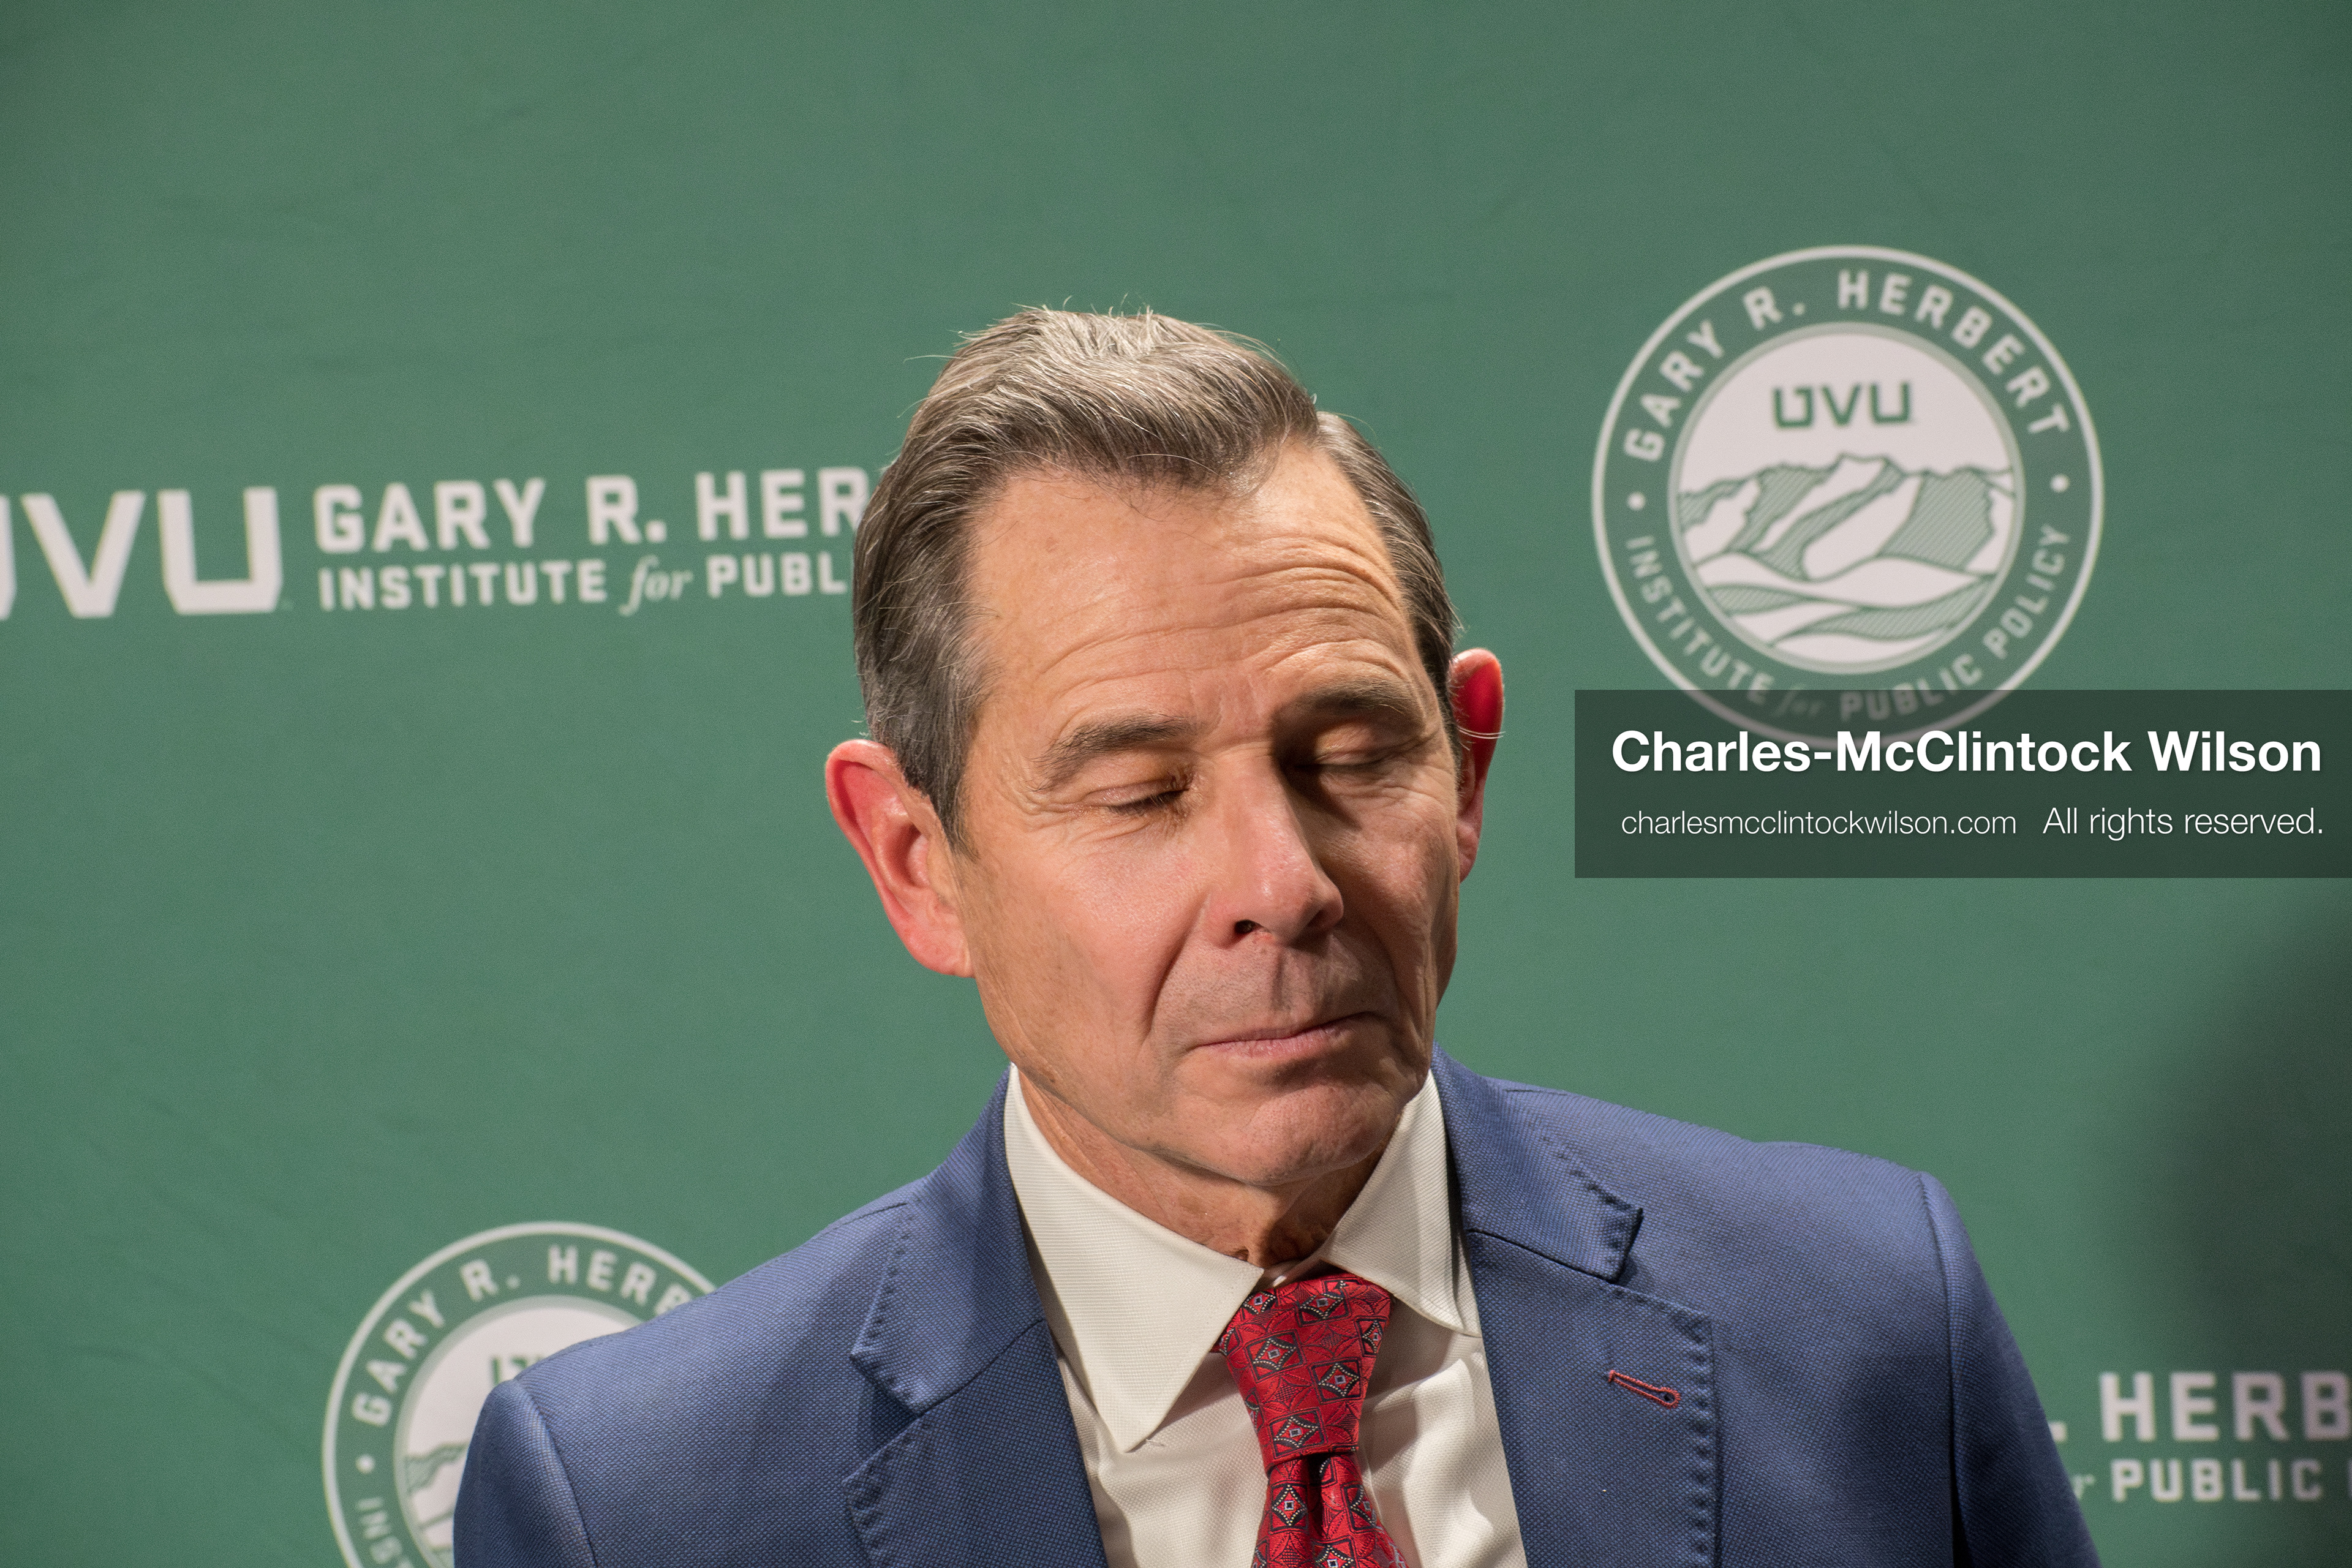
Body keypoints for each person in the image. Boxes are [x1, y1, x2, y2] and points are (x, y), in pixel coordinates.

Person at [454, 309, 2097, 1567]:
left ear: (1470, 773)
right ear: (915, 859)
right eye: (1144, 793)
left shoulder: (1871, 1326)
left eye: (1349, 757)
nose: (1285, 882)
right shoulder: (639, 1502)